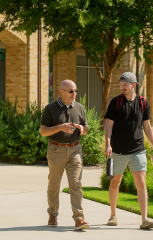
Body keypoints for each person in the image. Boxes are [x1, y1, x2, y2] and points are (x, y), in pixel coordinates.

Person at [104, 72, 153, 229]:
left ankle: (144, 220)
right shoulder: (116, 103)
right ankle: (113, 215)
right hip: (118, 151)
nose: (122, 87)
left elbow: (147, 126)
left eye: (125, 85)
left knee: (141, 182)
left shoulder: (143, 103)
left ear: (133, 85)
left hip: (138, 149)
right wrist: (108, 144)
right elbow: (108, 125)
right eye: (121, 84)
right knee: (115, 182)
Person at [40, 79, 90, 231]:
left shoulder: (80, 108)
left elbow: (87, 128)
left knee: (76, 184)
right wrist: (60, 127)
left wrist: (83, 128)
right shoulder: (50, 109)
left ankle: (79, 218)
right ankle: (53, 214)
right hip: (56, 150)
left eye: (75, 91)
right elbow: (43, 132)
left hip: (75, 149)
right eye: (71, 91)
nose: (74, 94)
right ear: (61, 92)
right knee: (54, 185)